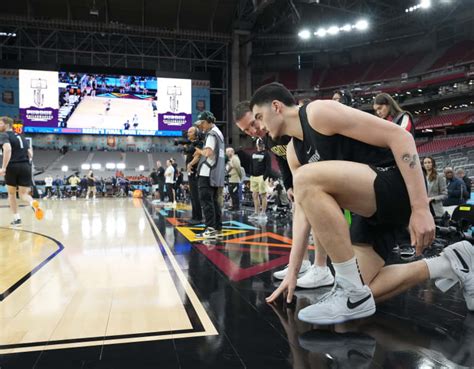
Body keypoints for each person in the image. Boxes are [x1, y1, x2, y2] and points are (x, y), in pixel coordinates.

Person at [249, 83, 468, 326]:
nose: (258, 126)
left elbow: (401, 136)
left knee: (305, 179)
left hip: (395, 183)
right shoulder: (292, 152)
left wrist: (419, 208)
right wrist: (293, 270)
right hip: (369, 208)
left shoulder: (318, 113)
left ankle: (349, 291)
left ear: (277, 107)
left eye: (259, 116)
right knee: (365, 288)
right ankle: (450, 262)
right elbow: (302, 211)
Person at [0, 116, 43, 226]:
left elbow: (7, 149)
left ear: (6, 125)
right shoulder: (21, 136)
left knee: (11, 194)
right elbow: (30, 153)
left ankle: (17, 218)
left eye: (0, 123)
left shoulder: (4, 135)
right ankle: (32, 202)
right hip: (25, 166)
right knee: (24, 194)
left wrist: (4, 167)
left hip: (12, 166)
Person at [194, 111, 226, 239]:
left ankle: (210, 229)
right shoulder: (219, 134)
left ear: (208, 121)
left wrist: (199, 151)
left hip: (207, 173)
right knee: (214, 202)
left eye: (202, 123)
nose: (201, 126)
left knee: (206, 201)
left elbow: (208, 153)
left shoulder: (212, 134)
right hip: (216, 173)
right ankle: (217, 227)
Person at [249, 138, 272, 220]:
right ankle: (256, 212)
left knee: (263, 195)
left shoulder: (266, 154)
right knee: (254, 195)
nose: (260, 145)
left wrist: (264, 177)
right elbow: (251, 164)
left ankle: (263, 213)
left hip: (262, 177)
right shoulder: (253, 154)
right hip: (254, 177)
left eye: (261, 144)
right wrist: (251, 174)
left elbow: (268, 167)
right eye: (259, 144)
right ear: (257, 145)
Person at [185, 126, 203, 224]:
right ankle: (194, 216)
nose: (188, 133)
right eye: (188, 132)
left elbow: (198, 156)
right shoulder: (192, 143)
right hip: (190, 171)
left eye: (190, 132)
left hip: (195, 171)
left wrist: (190, 164)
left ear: (196, 133)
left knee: (195, 194)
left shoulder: (199, 143)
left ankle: (198, 217)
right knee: (192, 194)